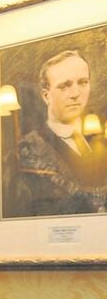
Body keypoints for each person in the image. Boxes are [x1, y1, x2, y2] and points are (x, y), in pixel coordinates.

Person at [11, 50, 107, 216]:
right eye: (64, 86)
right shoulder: (29, 148)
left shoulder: (99, 141)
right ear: (46, 95)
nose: (76, 94)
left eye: (83, 82)